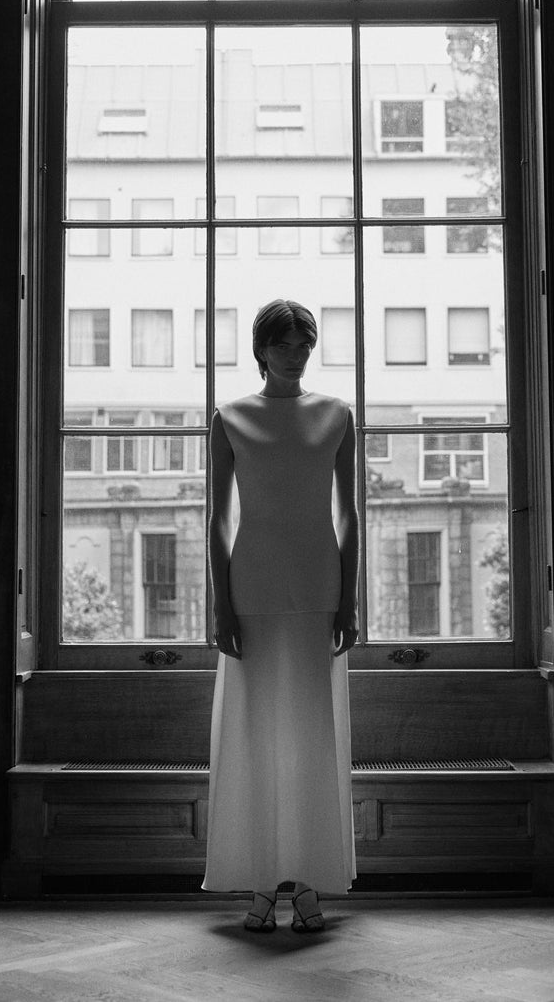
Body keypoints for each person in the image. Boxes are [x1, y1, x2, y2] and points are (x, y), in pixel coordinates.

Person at [201, 298, 359, 933]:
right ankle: (263, 884)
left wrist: (349, 600)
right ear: (261, 349)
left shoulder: (336, 414)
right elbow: (217, 518)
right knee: (256, 735)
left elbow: (349, 514)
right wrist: (221, 605)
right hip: (253, 590)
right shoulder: (230, 418)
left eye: (304, 346)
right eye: (284, 345)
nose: (296, 356)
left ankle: (311, 883)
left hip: (318, 587)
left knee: (314, 737)